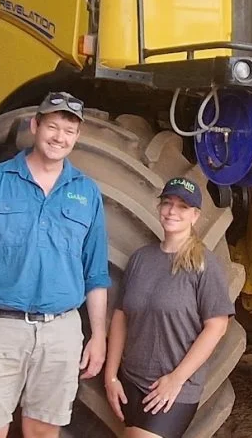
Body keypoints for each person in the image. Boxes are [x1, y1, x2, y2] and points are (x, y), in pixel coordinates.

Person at [0, 91, 110, 438]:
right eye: (53, 127)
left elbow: (96, 273)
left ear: (77, 137)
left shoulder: (86, 193)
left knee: (44, 431)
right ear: (35, 126)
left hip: (60, 332)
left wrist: (99, 336)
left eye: (69, 131)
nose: (59, 137)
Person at [103, 176, 234, 438]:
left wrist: (176, 379)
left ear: (195, 216)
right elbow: (121, 317)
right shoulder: (141, 259)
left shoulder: (203, 264)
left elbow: (217, 326)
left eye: (183, 206)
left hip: (173, 388)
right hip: (131, 381)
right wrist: (111, 376)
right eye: (167, 203)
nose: (172, 211)